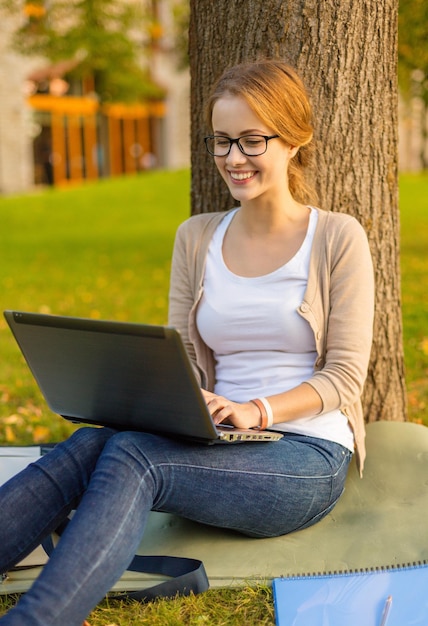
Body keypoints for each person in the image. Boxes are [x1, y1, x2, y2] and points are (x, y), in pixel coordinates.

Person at [0, 59, 374, 625]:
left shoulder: (337, 237)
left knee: (132, 455)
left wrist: (256, 410)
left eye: (252, 141)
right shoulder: (196, 237)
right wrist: (162, 398)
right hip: (215, 441)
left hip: (304, 454)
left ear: (296, 141)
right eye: (222, 141)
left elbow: (345, 376)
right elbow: (189, 368)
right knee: (92, 443)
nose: (233, 159)